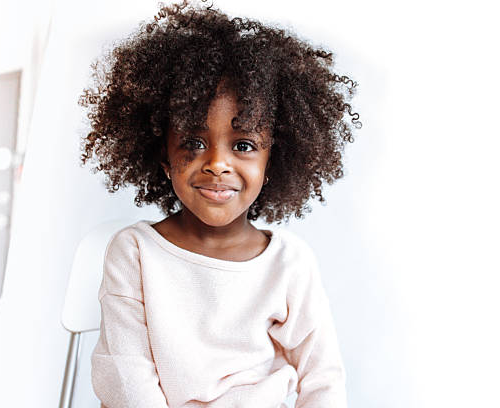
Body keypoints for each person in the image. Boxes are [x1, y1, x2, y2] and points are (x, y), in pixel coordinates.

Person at [78, 1, 361, 407]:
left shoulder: (289, 262)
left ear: (271, 162)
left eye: (243, 145)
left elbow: (324, 381)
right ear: (164, 157)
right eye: (193, 143)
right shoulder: (135, 253)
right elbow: (126, 380)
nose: (216, 163)